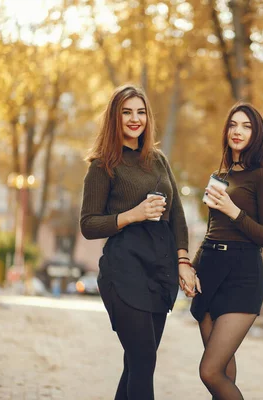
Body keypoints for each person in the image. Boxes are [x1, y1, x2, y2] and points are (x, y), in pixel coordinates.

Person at [79, 84, 197, 400]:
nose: (135, 119)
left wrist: (183, 261)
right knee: (143, 363)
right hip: (124, 273)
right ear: (114, 119)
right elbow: (88, 225)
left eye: (140, 112)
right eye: (126, 112)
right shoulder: (103, 165)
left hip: (160, 274)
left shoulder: (158, 160)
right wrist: (133, 214)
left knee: (136, 365)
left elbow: (178, 217)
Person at [190, 102, 263, 399]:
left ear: (257, 134)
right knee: (224, 371)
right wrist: (191, 266)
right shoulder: (220, 174)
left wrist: (233, 211)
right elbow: (212, 230)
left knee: (210, 371)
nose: (238, 131)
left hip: (242, 275)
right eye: (233, 125)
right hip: (209, 270)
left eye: (246, 126)